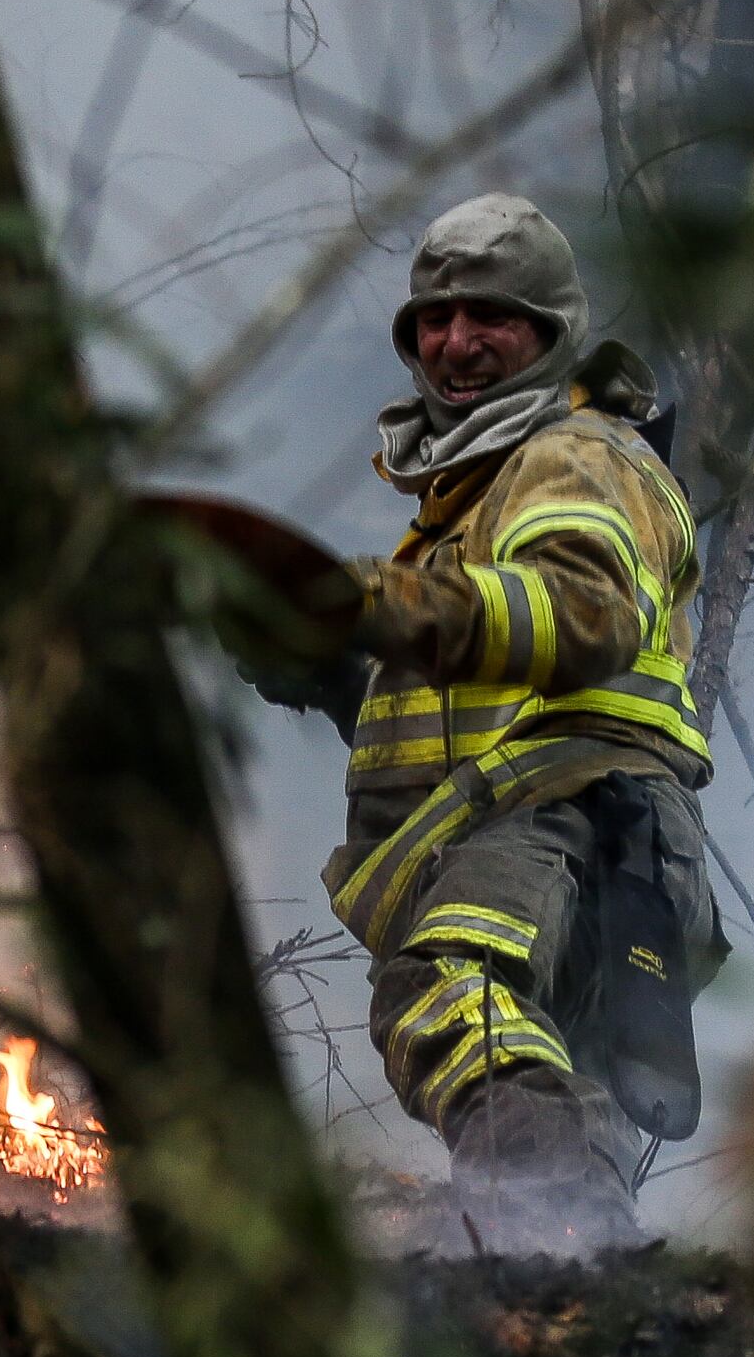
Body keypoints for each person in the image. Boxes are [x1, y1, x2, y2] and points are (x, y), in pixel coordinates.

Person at [305, 194, 725, 1254]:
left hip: (564, 819)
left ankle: (561, 1243)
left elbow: (580, 615)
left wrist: (371, 605)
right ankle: (593, 1308)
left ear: (547, 332)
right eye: (431, 322)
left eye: (488, 315)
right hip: (566, 837)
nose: (455, 342)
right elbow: (481, 688)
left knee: (448, 990)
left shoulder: (572, 456)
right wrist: (328, 671)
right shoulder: (473, 500)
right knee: (529, 1059)